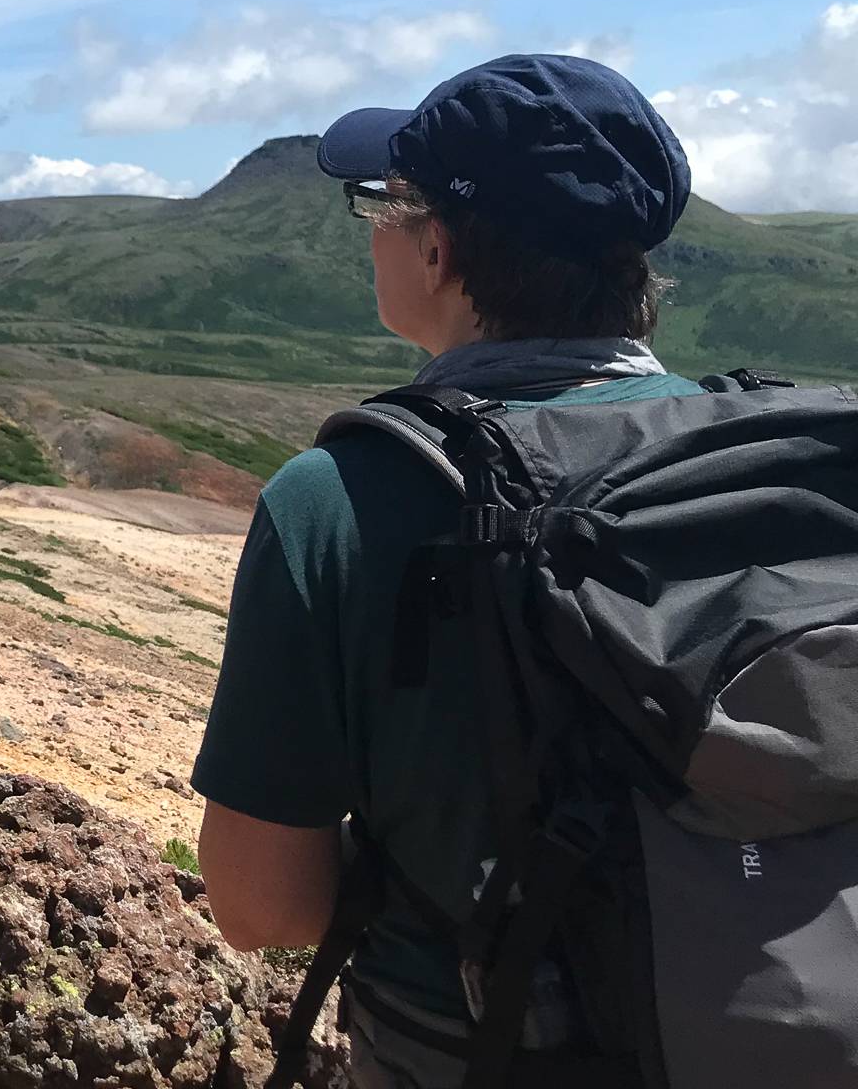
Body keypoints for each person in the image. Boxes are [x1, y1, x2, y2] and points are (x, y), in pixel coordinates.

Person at [191, 55, 699, 1087]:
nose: (371, 230)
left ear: (438, 247)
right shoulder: (788, 462)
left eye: (381, 204)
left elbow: (259, 905)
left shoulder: (338, 496)